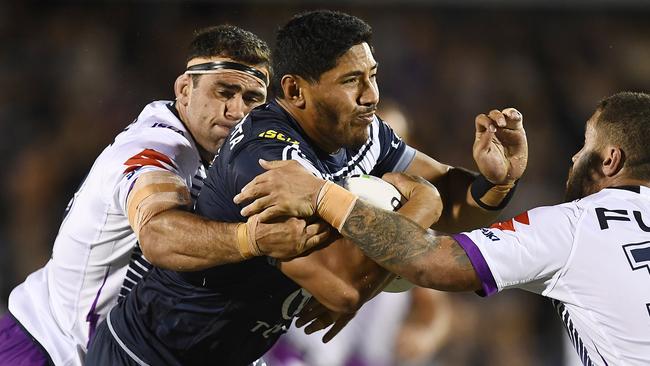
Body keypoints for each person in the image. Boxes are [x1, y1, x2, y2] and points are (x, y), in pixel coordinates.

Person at [86, 10, 527, 366]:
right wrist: (423, 203)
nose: (371, 95)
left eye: (372, 76)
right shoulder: (265, 163)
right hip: (150, 353)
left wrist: (495, 182)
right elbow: (342, 286)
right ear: (295, 90)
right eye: (352, 81)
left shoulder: (364, 134)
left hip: (230, 352)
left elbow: (452, 197)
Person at [239, 91, 650, 365]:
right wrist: (493, 186)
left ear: (610, 160)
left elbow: (431, 262)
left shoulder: (577, 226)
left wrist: (321, 195)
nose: (575, 155)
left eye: (585, 143)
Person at [0, 25, 326, 366]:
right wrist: (252, 239)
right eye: (224, 92)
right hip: (48, 349)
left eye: (251, 99)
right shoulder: (156, 147)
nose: (237, 111)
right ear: (185, 90)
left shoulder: (228, 158)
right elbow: (158, 234)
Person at [267, 100, 452, 366]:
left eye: (391, 141)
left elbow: (434, 305)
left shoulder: (418, 222)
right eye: (367, 140)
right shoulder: (322, 193)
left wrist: (426, 334)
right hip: (293, 351)